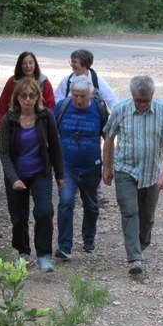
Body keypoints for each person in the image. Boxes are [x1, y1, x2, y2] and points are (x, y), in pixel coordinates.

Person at [102, 76, 163, 275]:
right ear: (132, 96)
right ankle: (134, 258)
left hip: (151, 173)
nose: (142, 104)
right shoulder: (121, 110)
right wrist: (107, 167)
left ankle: (140, 245)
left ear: (152, 96)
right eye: (139, 100)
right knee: (129, 211)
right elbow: (109, 137)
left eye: (146, 100)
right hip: (125, 170)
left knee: (147, 217)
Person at [0, 77, 65, 272]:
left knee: (44, 211)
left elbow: (55, 147)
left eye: (32, 95)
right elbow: (4, 154)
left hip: (40, 172)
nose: (28, 99)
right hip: (16, 174)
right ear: (17, 97)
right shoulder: (9, 120)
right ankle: (22, 252)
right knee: (18, 216)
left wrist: (60, 175)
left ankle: (44, 255)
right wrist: (13, 178)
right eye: (24, 95)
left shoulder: (46, 117)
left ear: (38, 96)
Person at [54, 76, 109, 259]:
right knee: (66, 202)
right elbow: (51, 134)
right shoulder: (62, 107)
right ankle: (64, 246)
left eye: (83, 96)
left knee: (91, 205)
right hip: (67, 167)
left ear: (90, 95)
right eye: (76, 95)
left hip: (91, 167)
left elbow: (108, 138)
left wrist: (109, 165)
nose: (78, 100)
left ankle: (88, 240)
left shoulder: (99, 110)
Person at [55, 48, 118, 206]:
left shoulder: (96, 80)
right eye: (71, 61)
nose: (72, 64)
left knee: (92, 156)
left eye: (74, 61)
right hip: (71, 124)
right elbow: (56, 101)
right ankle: (72, 191)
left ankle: (95, 191)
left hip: (91, 123)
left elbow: (112, 100)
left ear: (85, 64)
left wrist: (117, 120)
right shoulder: (67, 81)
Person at [0, 51, 56, 131]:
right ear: (20, 65)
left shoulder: (43, 82)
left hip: (39, 124)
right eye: (24, 63)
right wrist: (0, 125)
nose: (28, 66)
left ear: (35, 65)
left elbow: (51, 106)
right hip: (16, 124)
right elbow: (2, 106)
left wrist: (47, 124)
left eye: (31, 63)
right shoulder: (12, 82)